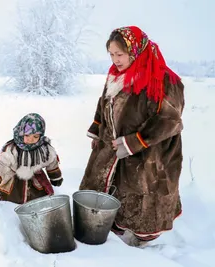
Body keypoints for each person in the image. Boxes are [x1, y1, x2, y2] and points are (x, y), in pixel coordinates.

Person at [79, 26, 184, 246]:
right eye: (111, 54)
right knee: (113, 189)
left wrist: (135, 141)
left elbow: (170, 120)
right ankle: (112, 231)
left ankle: (142, 244)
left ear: (135, 51)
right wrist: (98, 131)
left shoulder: (163, 79)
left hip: (151, 155)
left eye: (120, 54)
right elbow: (104, 104)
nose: (115, 60)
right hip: (113, 148)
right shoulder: (116, 76)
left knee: (143, 197)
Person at [0, 113, 63, 204]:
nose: (30, 140)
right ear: (21, 132)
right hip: (13, 181)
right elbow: (1, 165)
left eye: (35, 136)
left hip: (35, 181)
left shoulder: (44, 150)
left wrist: (55, 176)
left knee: (39, 201)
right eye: (27, 135)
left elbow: (52, 161)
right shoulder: (12, 150)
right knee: (10, 200)